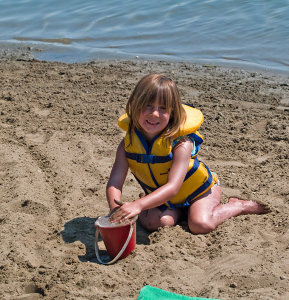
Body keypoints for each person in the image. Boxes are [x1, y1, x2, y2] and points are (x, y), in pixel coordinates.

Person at [106, 74, 269, 234]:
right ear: (134, 105)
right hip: (168, 199)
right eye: (148, 105)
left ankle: (236, 205)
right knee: (155, 223)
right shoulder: (127, 145)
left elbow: (172, 188)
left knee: (200, 224)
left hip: (199, 192)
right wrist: (115, 210)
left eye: (162, 108)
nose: (154, 114)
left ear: (173, 112)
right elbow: (115, 182)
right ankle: (176, 212)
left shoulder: (182, 143)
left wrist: (139, 205)